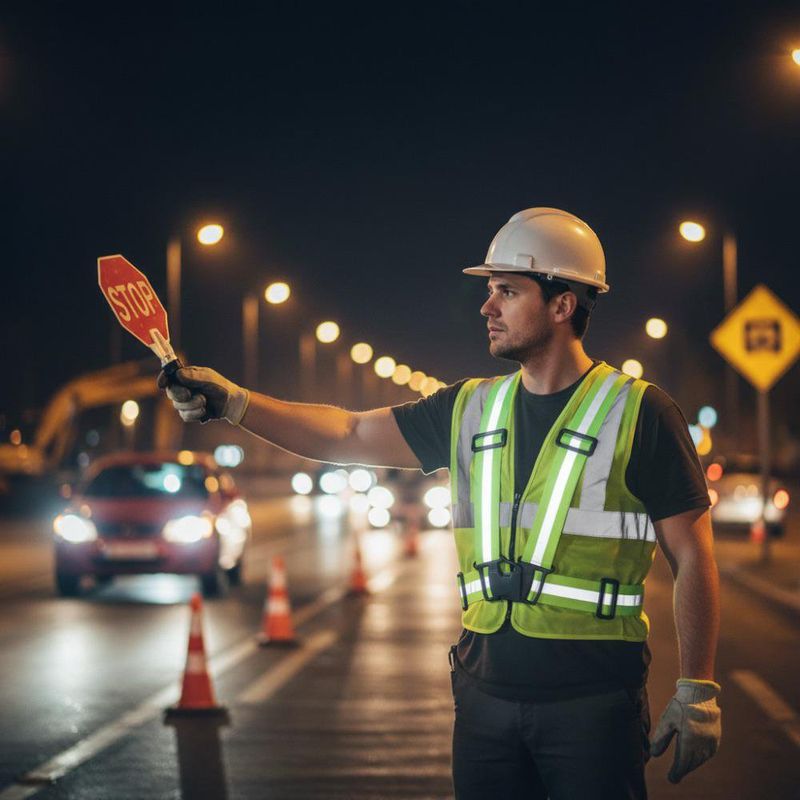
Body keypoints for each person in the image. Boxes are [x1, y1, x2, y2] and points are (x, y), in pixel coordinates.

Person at [160, 207, 721, 799]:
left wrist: (698, 689)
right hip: (484, 699)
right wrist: (235, 402)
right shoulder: (469, 408)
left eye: (507, 290)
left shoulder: (640, 411)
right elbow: (345, 434)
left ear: (563, 305)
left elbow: (693, 557)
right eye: (488, 291)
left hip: (594, 706)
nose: (487, 307)